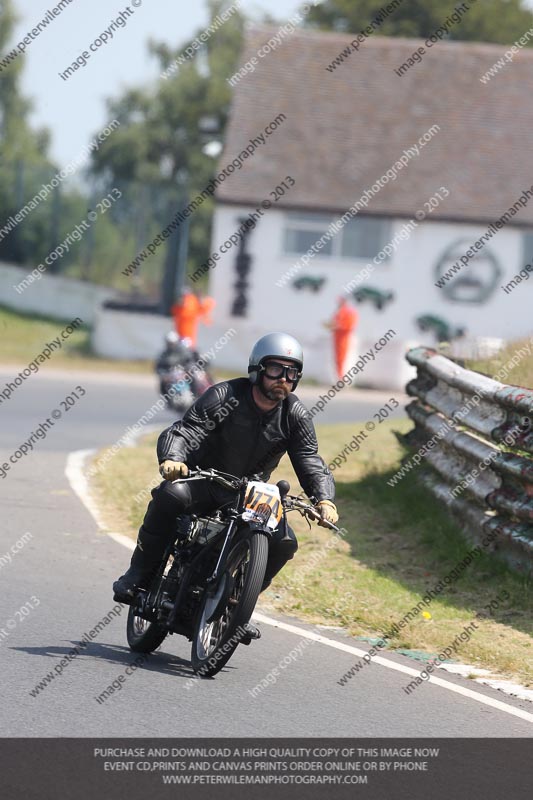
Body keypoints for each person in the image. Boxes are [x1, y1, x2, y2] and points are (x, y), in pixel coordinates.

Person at [113, 332, 338, 640]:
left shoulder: (294, 414)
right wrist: (173, 458)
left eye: (291, 372)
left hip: (251, 493)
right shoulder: (225, 396)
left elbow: (309, 459)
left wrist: (324, 499)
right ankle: (138, 574)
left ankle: (238, 606)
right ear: (258, 369)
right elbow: (186, 431)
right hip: (208, 480)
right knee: (170, 496)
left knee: (285, 542)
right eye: (275, 369)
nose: (283, 379)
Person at [327, 297, 359, 380]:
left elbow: (350, 324)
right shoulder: (338, 312)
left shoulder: (349, 312)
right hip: (337, 337)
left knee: (342, 358)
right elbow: (334, 323)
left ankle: (341, 377)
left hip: (343, 337)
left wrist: (340, 326)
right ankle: (339, 377)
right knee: (337, 358)